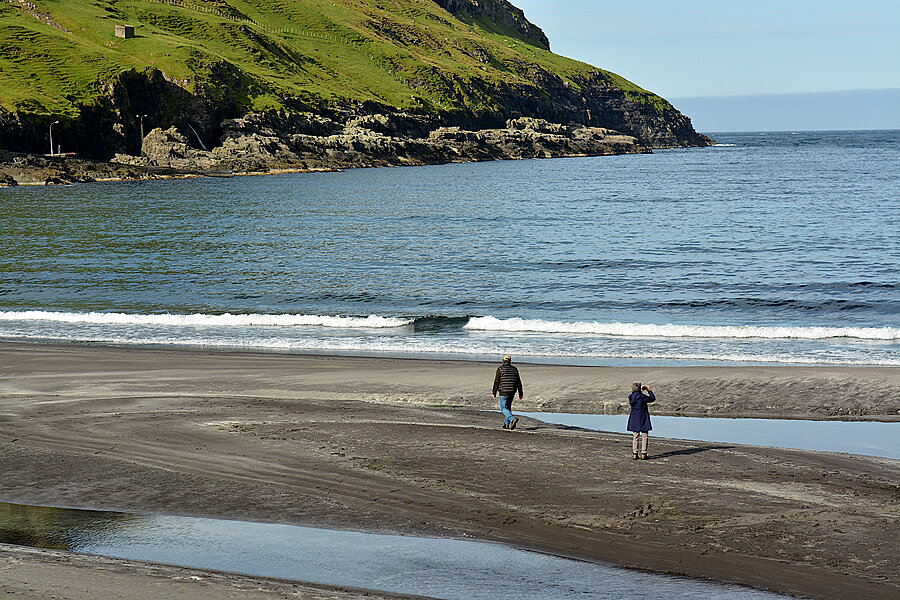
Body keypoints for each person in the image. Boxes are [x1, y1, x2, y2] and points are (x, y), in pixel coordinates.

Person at [492, 355, 523, 430]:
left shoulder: (500, 369)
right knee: (508, 407)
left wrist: (494, 392)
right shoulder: (515, 369)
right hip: (512, 391)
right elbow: (518, 382)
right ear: (510, 361)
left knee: (503, 408)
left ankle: (512, 418)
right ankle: (506, 424)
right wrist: (520, 393)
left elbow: (496, 381)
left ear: (503, 361)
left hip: (503, 392)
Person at [627, 382, 655, 460]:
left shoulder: (631, 397)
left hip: (634, 417)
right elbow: (652, 398)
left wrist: (639, 390)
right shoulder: (642, 397)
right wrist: (649, 390)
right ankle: (643, 453)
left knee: (635, 435)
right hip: (643, 417)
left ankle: (635, 453)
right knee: (644, 435)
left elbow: (635, 395)